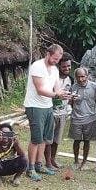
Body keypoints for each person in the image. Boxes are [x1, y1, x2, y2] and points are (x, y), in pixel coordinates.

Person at [23, 44, 71, 181]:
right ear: (48, 54)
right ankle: (30, 168)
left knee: (45, 138)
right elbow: (40, 90)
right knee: (36, 138)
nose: (56, 61)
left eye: (58, 59)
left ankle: (39, 165)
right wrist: (57, 95)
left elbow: (57, 88)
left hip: (47, 106)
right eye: (55, 58)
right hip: (35, 106)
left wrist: (64, 94)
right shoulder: (37, 67)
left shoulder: (55, 70)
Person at [46, 55, 74, 171]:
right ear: (59, 66)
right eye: (64, 66)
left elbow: (70, 95)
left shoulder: (70, 79)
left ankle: (53, 159)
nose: (67, 68)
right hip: (51, 112)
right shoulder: (52, 78)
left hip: (63, 113)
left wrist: (72, 99)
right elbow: (46, 93)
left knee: (57, 138)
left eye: (69, 66)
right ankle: (47, 162)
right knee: (48, 139)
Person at [68, 67, 96, 169]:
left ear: (87, 76)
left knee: (87, 141)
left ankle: (84, 162)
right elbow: (70, 103)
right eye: (78, 77)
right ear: (75, 77)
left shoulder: (94, 86)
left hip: (90, 118)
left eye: (83, 76)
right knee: (76, 141)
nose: (81, 79)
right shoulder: (73, 87)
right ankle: (76, 161)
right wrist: (73, 99)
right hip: (76, 118)